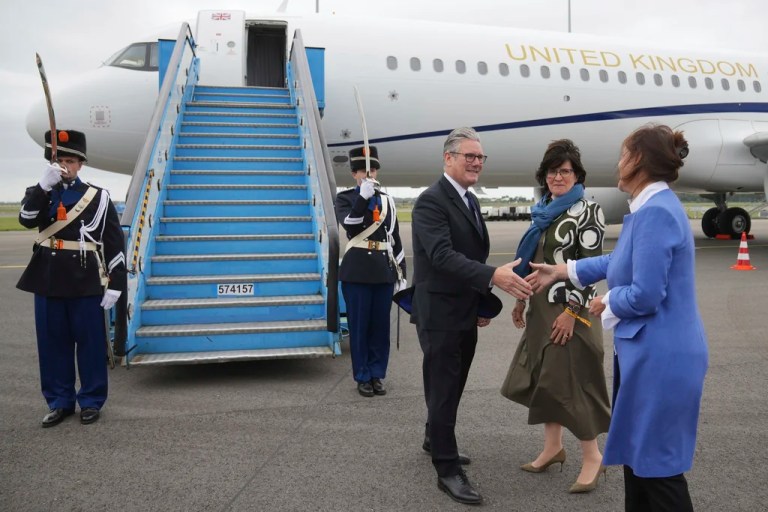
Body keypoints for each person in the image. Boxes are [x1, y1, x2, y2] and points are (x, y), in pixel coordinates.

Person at [527, 124, 708, 511]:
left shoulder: (657, 212)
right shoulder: (647, 208)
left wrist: (606, 301)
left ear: (639, 161)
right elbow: (618, 260)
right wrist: (563, 270)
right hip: (646, 353)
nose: (618, 162)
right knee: (637, 462)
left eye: (624, 154)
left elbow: (646, 294)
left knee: (657, 469)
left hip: (662, 357)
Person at [410, 127, 532, 505]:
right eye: (470, 156)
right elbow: (442, 256)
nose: (477, 162)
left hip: (463, 309)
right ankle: (446, 469)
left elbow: (471, 256)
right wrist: (493, 277)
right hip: (440, 314)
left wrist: (480, 299)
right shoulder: (431, 201)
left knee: (454, 383)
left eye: (480, 157)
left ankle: (434, 438)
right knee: (444, 387)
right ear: (448, 158)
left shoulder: (469, 199)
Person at [500, 139, 611, 493]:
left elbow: (592, 269)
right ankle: (553, 448)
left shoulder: (588, 211)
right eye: (552, 171)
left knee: (574, 382)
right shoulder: (543, 210)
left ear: (577, 175)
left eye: (565, 171)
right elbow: (533, 262)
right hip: (540, 309)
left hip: (570, 311)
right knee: (546, 380)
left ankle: (593, 456)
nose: (557, 177)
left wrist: (571, 312)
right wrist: (521, 300)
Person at [17, 129, 126, 427]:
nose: (65, 166)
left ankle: (91, 400)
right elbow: (26, 219)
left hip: (84, 279)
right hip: (48, 278)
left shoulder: (98, 197)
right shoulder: (40, 192)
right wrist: (43, 186)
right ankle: (59, 402)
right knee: (52, 345)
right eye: (60, 161)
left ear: (80, 164)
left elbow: (113, 242)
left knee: (90, 344)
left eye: (70, 161)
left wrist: (116, 283)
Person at [335, 145, 406, 397]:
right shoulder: (345, 198)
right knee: (359, 327)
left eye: (373, 170)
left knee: (380, 328)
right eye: (364, 171)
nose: (370, 175)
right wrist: (362, 199)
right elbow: (350, 226)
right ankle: (362, 376)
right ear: (354, 174)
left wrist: (401, 273)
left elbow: (395, 239)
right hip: (357, 272)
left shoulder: (387, 200)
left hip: (382, 272)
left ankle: (377, 374)